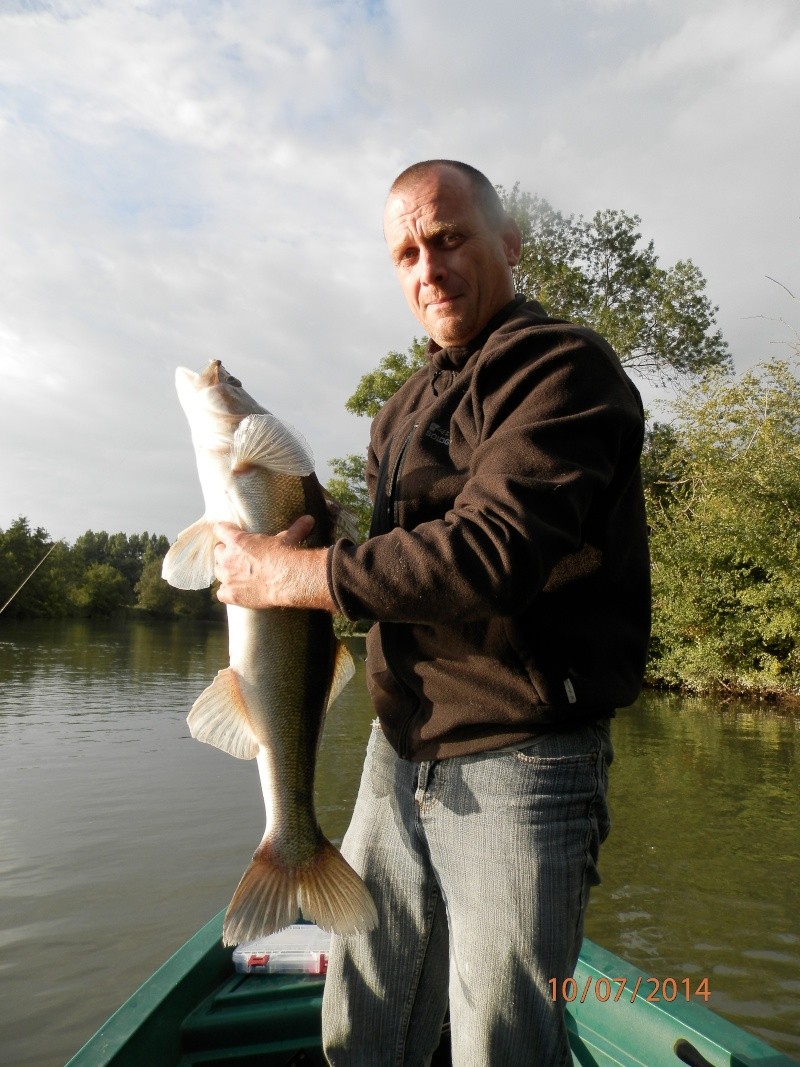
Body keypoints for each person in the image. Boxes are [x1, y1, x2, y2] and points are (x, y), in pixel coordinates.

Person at [213, 160, 651, 1066]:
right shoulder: (401, 409)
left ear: (508, 246)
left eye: (448, 239)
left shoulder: (562, 369)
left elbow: (491, 552)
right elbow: (394, 563)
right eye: (406, 251)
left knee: (500, 1040)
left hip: (523, 753)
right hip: (398, 746)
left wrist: (294, 575)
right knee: (362, 1021)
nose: (427, 267)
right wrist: (313, 532)